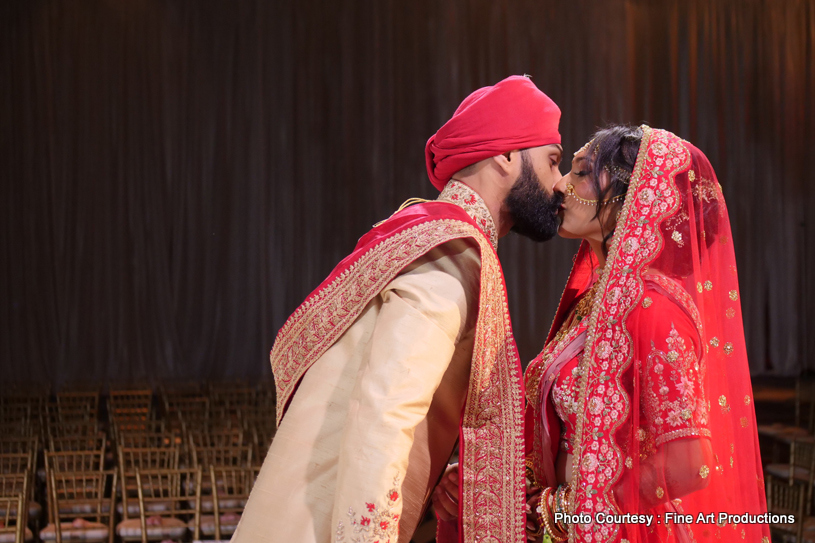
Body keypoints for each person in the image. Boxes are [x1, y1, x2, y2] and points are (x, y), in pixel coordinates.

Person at [231, 75, 564, 543]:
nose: (560, 183)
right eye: (552, 161)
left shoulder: (426, 230)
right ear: (506, 157)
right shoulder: (452, 251)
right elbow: (384, 411)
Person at [435, 125, 770, 542]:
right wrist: (488, 483)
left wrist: (567, 510)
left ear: (634, 195)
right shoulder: (596, 303)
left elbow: (689, 463)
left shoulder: (653, 310)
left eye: (580, 172)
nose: (559, 185)